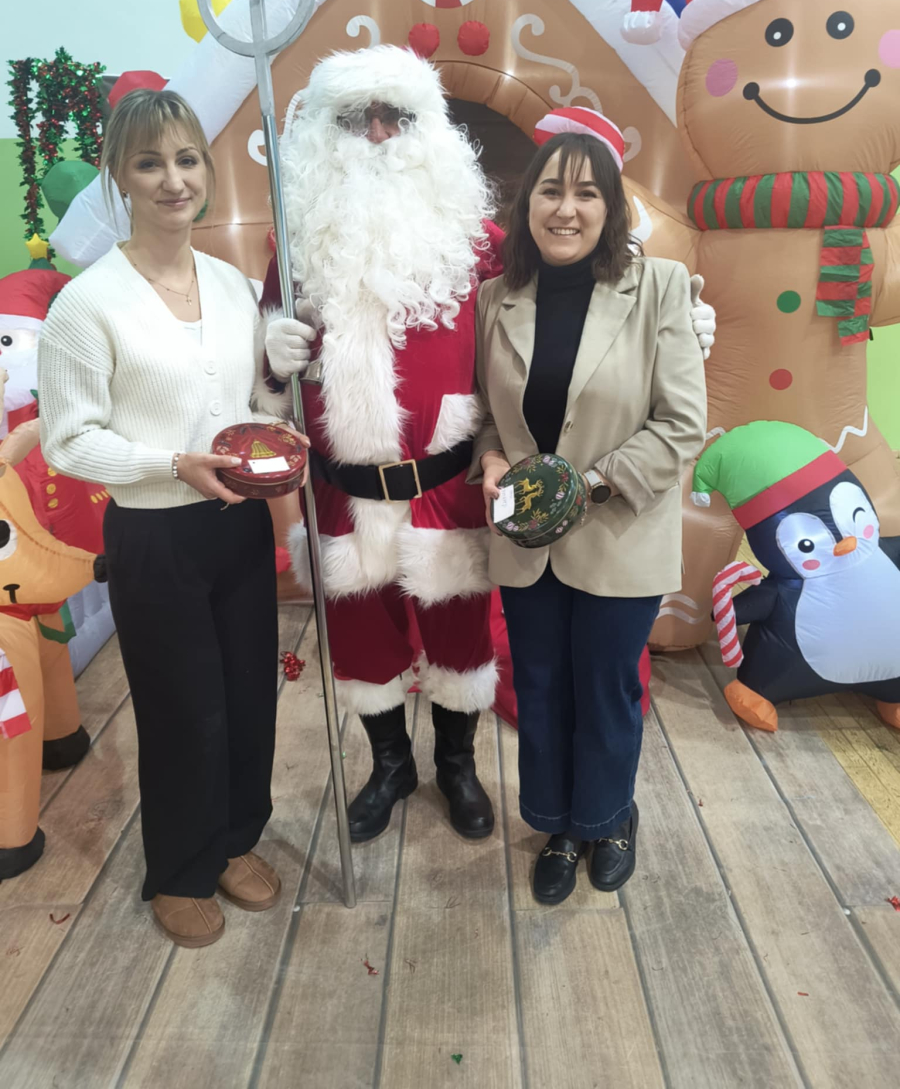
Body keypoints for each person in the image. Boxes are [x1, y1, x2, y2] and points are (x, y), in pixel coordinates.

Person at [262, 47, 716, 850]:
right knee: (363, 636)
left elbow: (569, 288)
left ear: (429, 129)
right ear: (323, 133)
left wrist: (680, 324)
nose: (378, 133)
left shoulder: (478, 241)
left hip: (450, 481)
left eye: (396, 117)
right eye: (357, 118)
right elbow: (271, 382)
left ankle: (457, 767)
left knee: (459, 635)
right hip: (343, 488)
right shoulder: (296, 247)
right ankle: (390, 765)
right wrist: (271, 358)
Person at [38, 89, 301, 948]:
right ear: (119, 175)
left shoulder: (228, 285)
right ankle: (181, 868)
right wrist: (171, 464)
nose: (172, 180)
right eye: (149, 163)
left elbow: (248, 402)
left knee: (247, 694)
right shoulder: (88, 304)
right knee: (184, 707)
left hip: (236, 525)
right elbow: (70, 440)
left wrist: (277, 410)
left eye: (186, 159)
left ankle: (234, 839)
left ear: (206, 170)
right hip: (155, 534)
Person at [473, 111, 708, 905]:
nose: (565, 209)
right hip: (525, 543)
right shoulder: (496, 299)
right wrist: (491, 460)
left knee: (605, 687)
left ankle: (607, 819)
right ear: (527, 205)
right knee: (541, 685)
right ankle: (557, 826)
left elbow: (681, 425)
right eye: (549, 191)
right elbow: (485, 417)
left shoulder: (659, 288)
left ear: (610, 207)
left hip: (618, 531)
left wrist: (590, 486)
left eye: (585, 193)